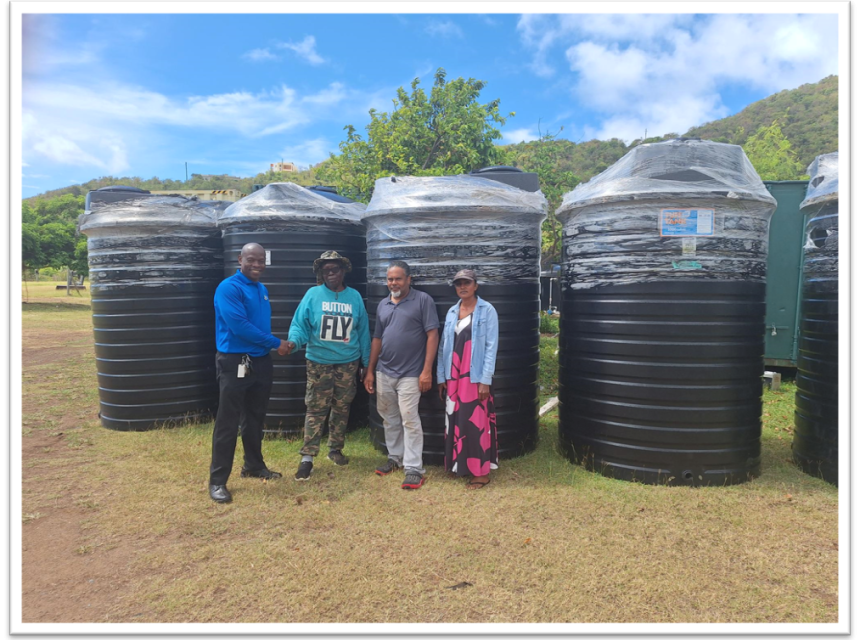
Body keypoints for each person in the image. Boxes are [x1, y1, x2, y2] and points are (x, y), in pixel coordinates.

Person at [209, 243, 290, 504]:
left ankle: (253, 466)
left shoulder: (260, 288)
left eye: (261, 261)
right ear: (240, 259)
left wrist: (269, 346)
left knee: (255, 417)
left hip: (260, 361)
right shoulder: (229, 288)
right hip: (235, 361)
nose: (257, 265)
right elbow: (239, 326)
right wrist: (276, 343)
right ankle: (218, 481)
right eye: (251, 260)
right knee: (228, 421)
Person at [286, 251, 371, 481]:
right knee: (315, 408)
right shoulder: (313, 295)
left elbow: (363, 331)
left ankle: (335, 449)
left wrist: (366, 363)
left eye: (335, 269)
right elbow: (300, 325)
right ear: (320, 274)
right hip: (319, 363)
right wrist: (293, 343)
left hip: (348, 363)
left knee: (342, 407)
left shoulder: (354, 297)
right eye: (326, 271)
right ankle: (307, 457)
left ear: (343, 271)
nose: (331, 274)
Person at [364, 261, 439, 490]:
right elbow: (377, 339)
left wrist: (427, 370)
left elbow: (432, 335)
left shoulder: (423, 300)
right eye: (390, 279)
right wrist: (370, 370)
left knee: (410, 419)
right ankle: (395, 458)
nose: (393, 283)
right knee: (389, 417)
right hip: (384, 371)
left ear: (408, 279)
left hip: (411, 373)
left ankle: (414, 468)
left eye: (398, 278)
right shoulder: (383, 304)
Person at [436, 269, 499, 489]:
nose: (462, 287)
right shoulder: (452, 311)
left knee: (475, 423)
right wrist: (441, 376)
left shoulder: (487, 310)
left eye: (467, 283)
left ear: (475, 285)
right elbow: (443, 346)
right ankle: (458, 466)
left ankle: (480, 473)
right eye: (458, 283)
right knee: (455, 420)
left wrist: (485, 380)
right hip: (453, 376)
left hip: (474, 377)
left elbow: (491, 347)